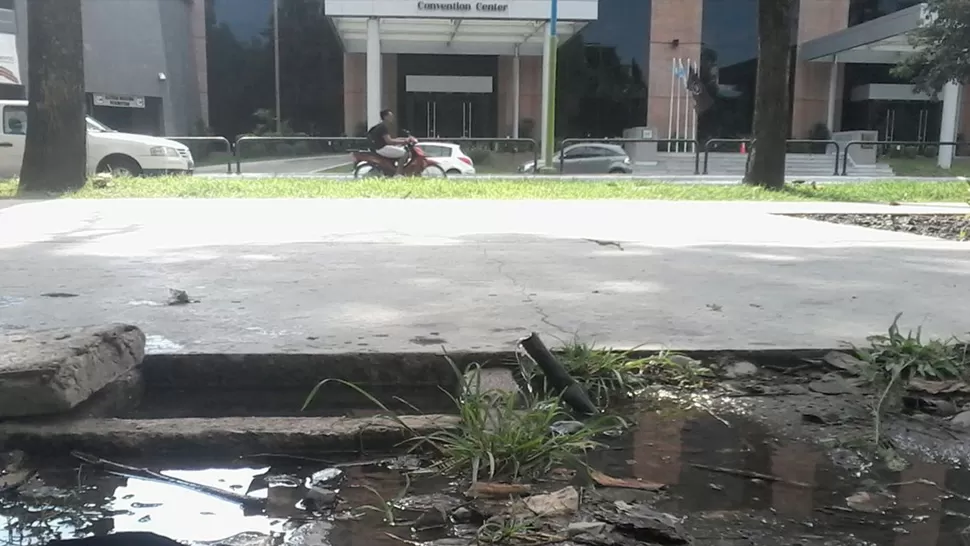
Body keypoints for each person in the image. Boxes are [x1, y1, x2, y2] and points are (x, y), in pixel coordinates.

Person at [366, 109, 415, 175]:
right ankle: (398, 173)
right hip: (382, 148)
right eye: (390, 116)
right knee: (405, 153)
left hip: (382, 147)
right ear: (385, 117)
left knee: (400, 151)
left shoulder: (382, 126)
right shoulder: (382, 127)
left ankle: (394, 169)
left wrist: (406, 139)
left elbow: (392, 139)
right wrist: (404, 141)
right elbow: (389, 141)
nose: (393, 118)